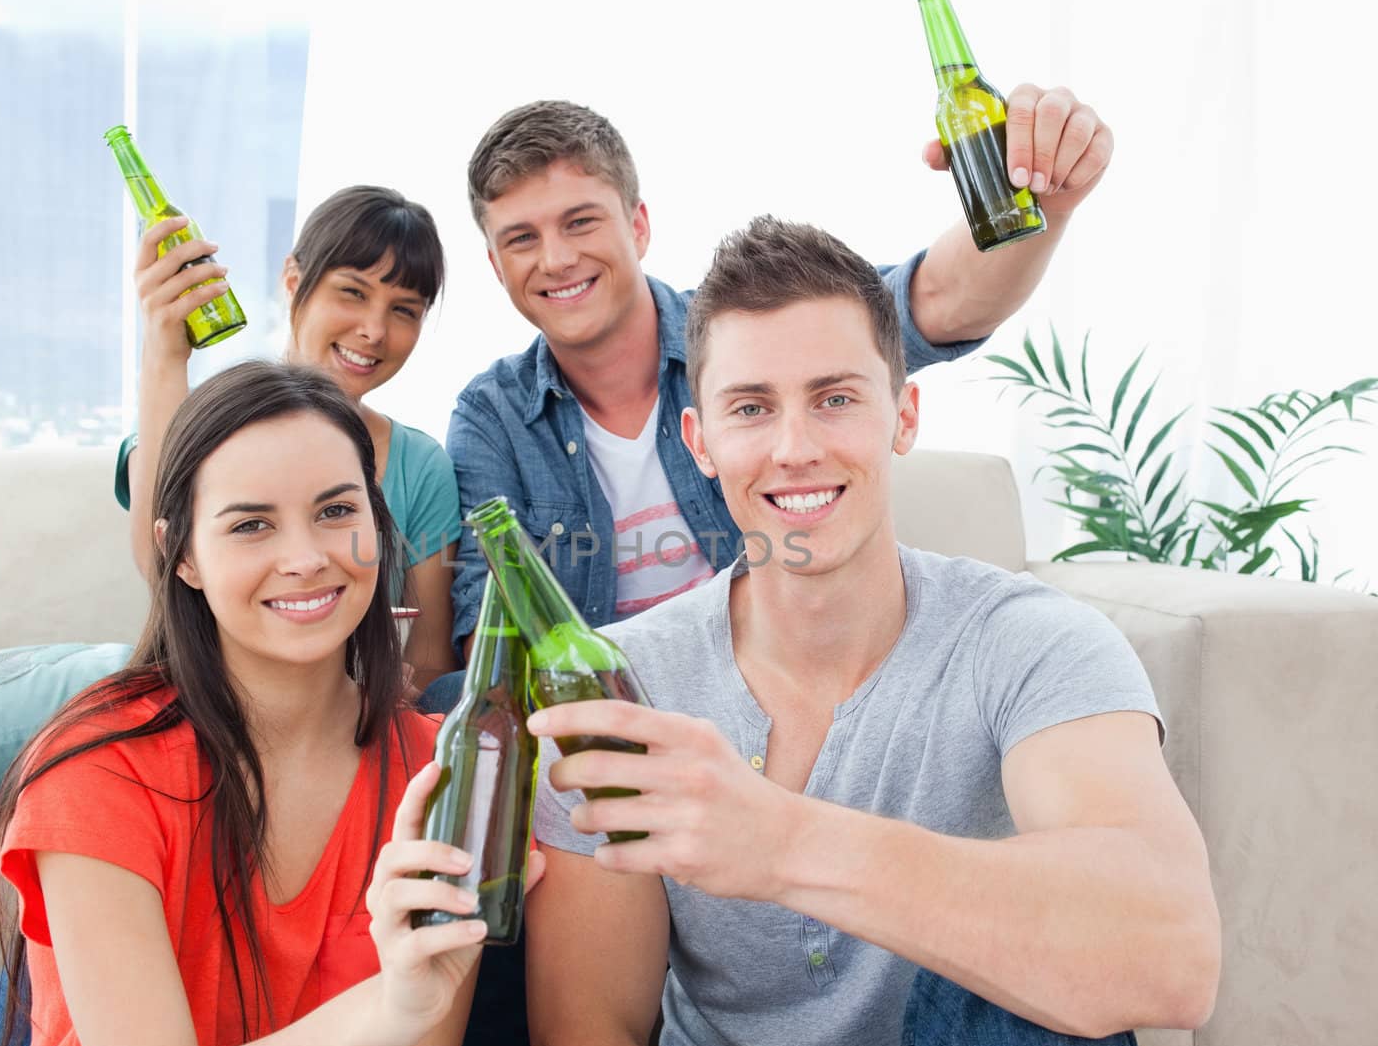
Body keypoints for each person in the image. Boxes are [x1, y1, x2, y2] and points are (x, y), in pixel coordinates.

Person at [522, 217, 1221, 1046]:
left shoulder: (1031, 643)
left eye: (836, 397)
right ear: (700, 440)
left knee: (1029, 985)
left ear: (905, 415)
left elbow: (1173, 951)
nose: (796, 447)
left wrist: (781, 841)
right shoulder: (628, 681)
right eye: (752, 408)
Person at [0, 189, 471, 1046]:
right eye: (251, 525)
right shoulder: (97, 770)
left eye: (337, 512)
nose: (308, 556)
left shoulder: (435, 776)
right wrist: (395, 1012)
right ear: (181, 555)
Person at [441, 91, 1115, 669]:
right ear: (496, 265)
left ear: (638, 226)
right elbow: (492, 641)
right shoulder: (491, 416)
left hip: (782, 701)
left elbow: (934, 300)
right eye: (521, 239)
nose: (556, 259)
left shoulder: (747, 338)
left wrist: (1045, 206)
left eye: (580, 221)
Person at [124, 185, 461, 693]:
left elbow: (433, 656)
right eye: (353, 292)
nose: (373, 330)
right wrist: (164, 352)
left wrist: (388, 701)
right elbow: (161, 565)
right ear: (292, 279)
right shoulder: (205, 431)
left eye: (404, 310)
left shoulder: (420, 464)